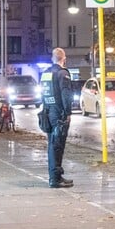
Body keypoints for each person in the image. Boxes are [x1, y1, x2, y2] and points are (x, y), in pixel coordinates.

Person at [40, 48, 74, 188]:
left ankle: (55, 175)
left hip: (48, 112)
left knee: (52, 145)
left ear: (52, 58)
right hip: (59, 113)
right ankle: (55, 179)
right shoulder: (62, 73)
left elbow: (43, 94)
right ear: (63, 58)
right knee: (57, 146)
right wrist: (68, 113)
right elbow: (66, 95)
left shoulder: (46, 73)